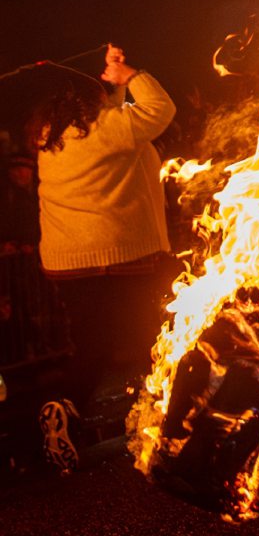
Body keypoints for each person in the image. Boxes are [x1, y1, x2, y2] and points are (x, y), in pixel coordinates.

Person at [26, 45, 175, 473]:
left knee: (93, 347)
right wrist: (130, 74)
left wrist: (107, 78)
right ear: (93, 100)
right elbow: (159, 108)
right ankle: (165, 420)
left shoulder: (50, 137)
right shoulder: (110, 127)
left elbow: (114, 118)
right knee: (157, 336)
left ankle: (64, 404)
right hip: (124, 256)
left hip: (69, 263)